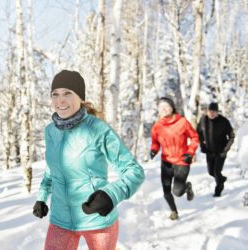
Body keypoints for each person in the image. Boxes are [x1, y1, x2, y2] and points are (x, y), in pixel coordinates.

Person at [32, 70, 145, 250]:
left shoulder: (98, 129)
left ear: (80, 97)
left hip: (97, 220)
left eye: (67, 93)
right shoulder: (50, 131)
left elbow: (134, 171)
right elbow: (52, 169)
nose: (60, 100)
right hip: (60, 220)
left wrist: (111, 194)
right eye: (55, 94)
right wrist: (41, 198)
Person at [150, 97, 199, 220]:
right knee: (166, 191)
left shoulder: (182, 122)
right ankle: (174, 211)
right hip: (166, 162)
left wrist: (190, 153)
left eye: (166, 106)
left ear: (172, 108)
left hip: (182, 161)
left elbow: (194, 137)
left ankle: (186, 187)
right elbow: (155, 141)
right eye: (161, 107)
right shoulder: (157, 126)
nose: (164, 109)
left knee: (177, 192)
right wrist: (154, 150)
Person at [197, 102, 235, 197]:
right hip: (209, 151)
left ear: (217, 112)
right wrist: (202, 145)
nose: (212, 113)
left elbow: (231, 136)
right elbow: (198, 133)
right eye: (210, 111)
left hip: (221, 151)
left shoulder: (224, 121)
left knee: (216, 171)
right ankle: (221, 179)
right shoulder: (203, 120)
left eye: (214, 111)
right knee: (211, 172)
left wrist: (225, 150)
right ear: (207, 111)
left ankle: (218, 190)